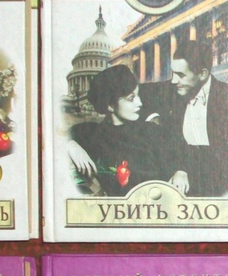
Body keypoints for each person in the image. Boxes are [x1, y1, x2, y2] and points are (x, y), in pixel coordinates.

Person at [166, 39, 228, 197]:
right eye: (173, 73)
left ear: (202, 74)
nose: (173, 80)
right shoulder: (176, 94)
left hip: (222, 188)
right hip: (185, 187)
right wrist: (180, 169)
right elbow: (174, 143)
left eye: (180, 75)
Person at [68, 64, 167, 196]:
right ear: (110, 105)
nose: (139, 103)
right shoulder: (92, 133)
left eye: (137, 95)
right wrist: (71, 145)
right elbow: (55, 137)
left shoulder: (151, 130)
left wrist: (180, 172)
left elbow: (180, 153)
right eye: (131, 98)